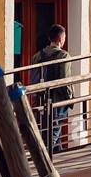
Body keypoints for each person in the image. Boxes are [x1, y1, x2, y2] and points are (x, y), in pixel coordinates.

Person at [31, 24, 73, 152]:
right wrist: (70, 97)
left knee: (52, 132)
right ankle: (44, 160)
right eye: (64, 37)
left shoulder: (37, 56)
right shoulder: (64, 56)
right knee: (53, 134)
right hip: (57, 100)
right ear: (61, 39)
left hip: (41, 99)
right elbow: (65, 80)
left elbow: (33, 78)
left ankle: (57, 159)